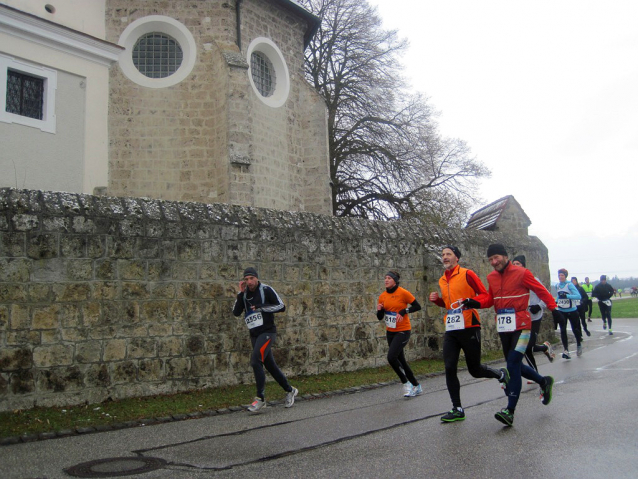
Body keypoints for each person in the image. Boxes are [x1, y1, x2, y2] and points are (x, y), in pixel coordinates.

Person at [463, 244, 561, 427]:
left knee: (512, 363)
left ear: (505, 256)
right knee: (514, 363)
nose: (494, 262)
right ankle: (544, 381)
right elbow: (490, 300)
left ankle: (510, 410)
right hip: (504, 327)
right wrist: (473, 302)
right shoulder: (491, 277)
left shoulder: (522, 273)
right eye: (490, 259)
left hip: (522, 325)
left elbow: (541, 291)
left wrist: (554, 309)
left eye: (496, 257)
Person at [428, 246, 508, 423]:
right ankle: (457, 408)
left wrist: (470, 302)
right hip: (451, 328)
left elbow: (485, 295)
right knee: (449, 368)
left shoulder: (467, 274)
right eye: (443, 255)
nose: (445, 257)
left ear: (456, 257)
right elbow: (450, 305)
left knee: (475, 369)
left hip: (470, 325)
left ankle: (501, 375)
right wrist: (438, 301)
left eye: (448, 254)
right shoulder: (442, 279)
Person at [232, 267, 298, 412]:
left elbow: (281, 306)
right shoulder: (244, 294)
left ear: (256, 278)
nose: (249, 282)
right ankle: (290, 390)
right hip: (254, 335)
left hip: (267, 333)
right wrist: (240, 294)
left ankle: (260, 398)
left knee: (255, 361)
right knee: (270, 366)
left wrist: (262, 307)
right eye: (246, 279)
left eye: (251, 278)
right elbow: (236, 313)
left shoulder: (266, 290)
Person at [377, 270, 423, 398]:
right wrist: (379, 310)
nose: (386, 280)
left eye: (389, 278)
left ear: (395, 281)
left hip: (403, 330)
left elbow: (417, 306)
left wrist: (404, 311)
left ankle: (406, 383)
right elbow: (380, 317)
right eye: (385, 278)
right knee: (401, 360)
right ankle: (416, 386)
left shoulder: (403, 293)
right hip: (390, 331)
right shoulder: (382, 296)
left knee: (391, 357)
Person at [511, 256, 555, 374]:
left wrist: (539, 306)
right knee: (525, 347)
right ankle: (534, 372)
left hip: (535, 317)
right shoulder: (513, 283)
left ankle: (544, 348)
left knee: (529, 346)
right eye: (513, 263)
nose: (515, 266)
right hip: (521, 318)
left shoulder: (532, 279)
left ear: (523, 266)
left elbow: (545, 294)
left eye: (518, 263)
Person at [555, 268, 584, 358]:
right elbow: (559, 296)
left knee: (575, 329)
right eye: (559, 275)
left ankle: (579, 344)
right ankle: (566, 350)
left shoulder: (569, 285)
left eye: (562, 275)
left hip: (572, 311)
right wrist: (556, 301)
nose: (560, 277)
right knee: (563, 331)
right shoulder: (557, 285)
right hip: (561, 310)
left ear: (565, 276)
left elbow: (578, 296)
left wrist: (567, 296)